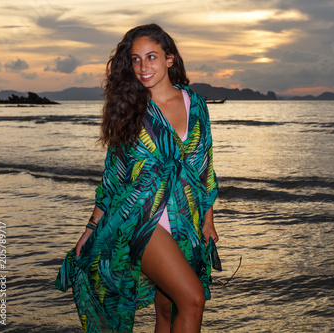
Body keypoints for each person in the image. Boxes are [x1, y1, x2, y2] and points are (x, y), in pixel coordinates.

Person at [55, 23, 219, 333]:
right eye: (135, 59)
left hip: (186, 218)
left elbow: (204, 167)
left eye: (152, 57)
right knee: (193, 299)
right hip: (140, 219)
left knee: (168, 309)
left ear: (169, 59)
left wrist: (208, 221)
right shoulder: (131, 109)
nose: (143, 67)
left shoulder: (195, 104)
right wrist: (90, 228)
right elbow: (114, 177)